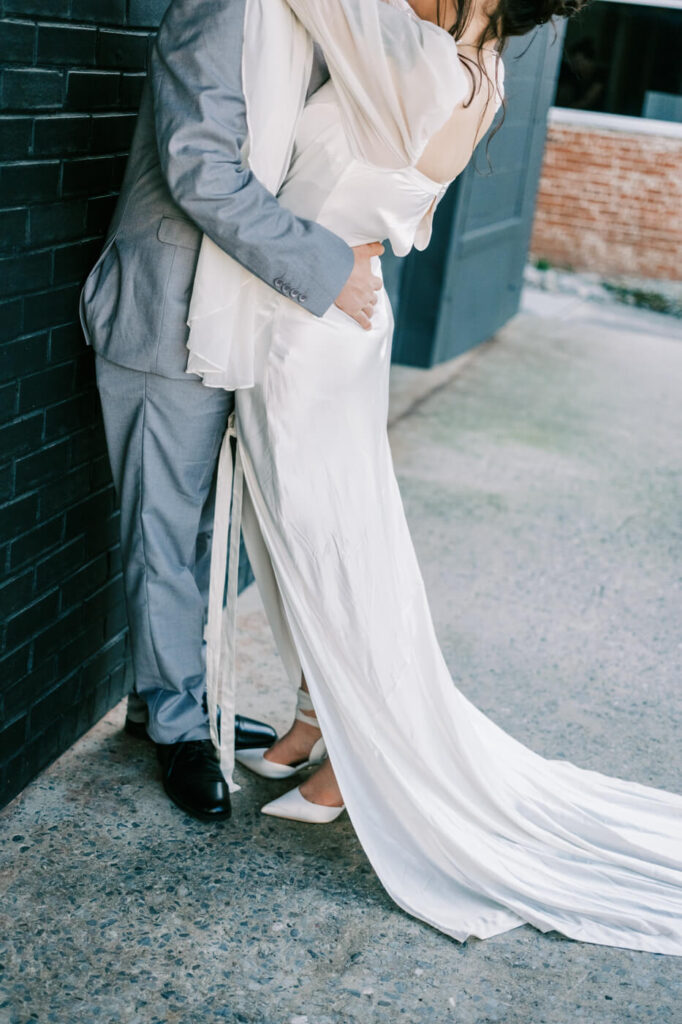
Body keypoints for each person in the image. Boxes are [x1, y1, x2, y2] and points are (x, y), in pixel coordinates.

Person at [195, 0, 682, 955]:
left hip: (308, 328)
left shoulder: (415, 58)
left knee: (326, 547)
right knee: (314, 538)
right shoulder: (481, 75)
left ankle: (356, 757)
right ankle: (311, 721)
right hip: (334, 318)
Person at [79, 0, 385, 822]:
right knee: (164, 531)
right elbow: (199, 168)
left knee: (203, 530)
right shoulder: (218, 10)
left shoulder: (323, 28)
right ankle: (179, 728)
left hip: (242, 314)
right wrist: (324, 265)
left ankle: (166, 699)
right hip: (164, 310)